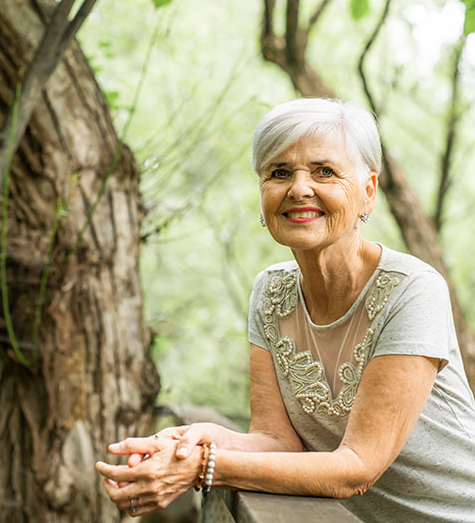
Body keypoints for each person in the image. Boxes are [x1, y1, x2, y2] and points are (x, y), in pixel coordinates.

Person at [95, 98, 475, 522]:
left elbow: (356, 469)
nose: (298, 189)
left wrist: (203, 468)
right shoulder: (271, 292)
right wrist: (199, 443)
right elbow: (277, 441)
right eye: (279, 173)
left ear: (369, 190)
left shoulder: (414, 291)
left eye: (324, 171)